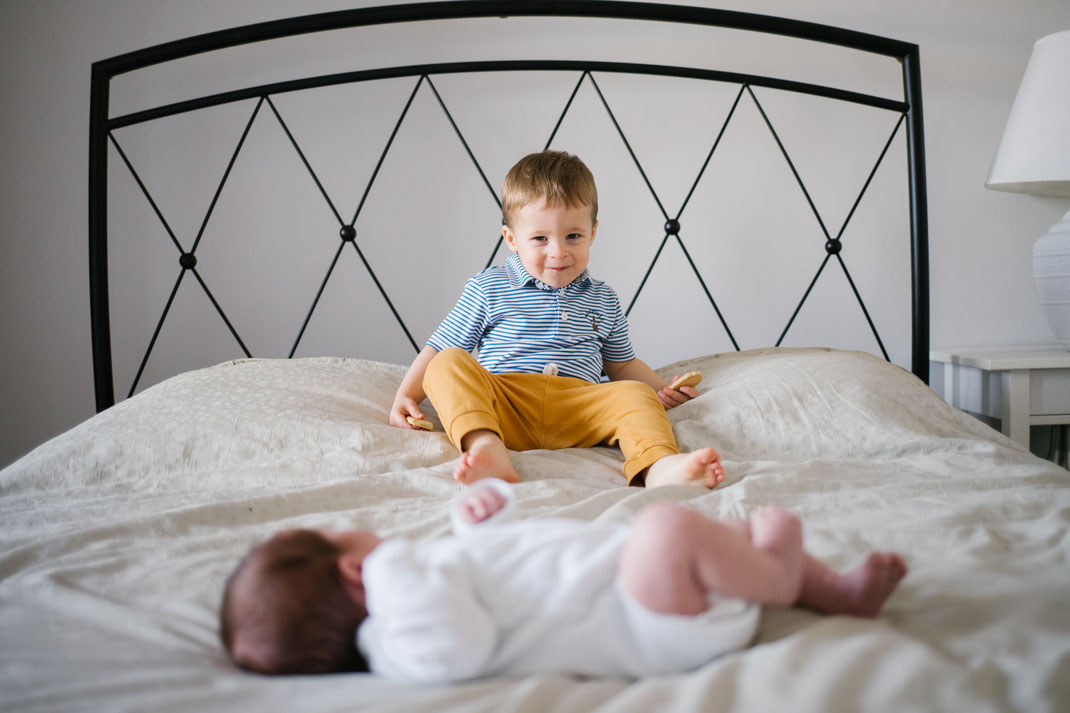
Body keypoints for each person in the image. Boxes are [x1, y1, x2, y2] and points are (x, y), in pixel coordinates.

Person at [220, 479, 908, 681]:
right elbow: (464, 643)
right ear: (353, 572)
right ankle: (781, 577)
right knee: (667, 528)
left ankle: (835, 592)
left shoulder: (419, 591)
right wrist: (391, 566)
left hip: (635, 587)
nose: (381, 544)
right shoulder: (403, 639)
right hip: (648, 626)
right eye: (354, 540)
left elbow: (508, 573)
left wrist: (481, 524)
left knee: (708, 535)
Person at [389, 150, 724, 489]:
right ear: (511, 239)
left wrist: (662, 391)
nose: (558, 251)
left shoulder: (603, 298)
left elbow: (622, 365)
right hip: (506, 403)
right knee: (447, 363)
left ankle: (660, 466)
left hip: (579, 408)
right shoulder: (488, 287)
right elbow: (438, 347)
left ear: (592, 233)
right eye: (540, 239)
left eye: (573, 236)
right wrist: (407, 395)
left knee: (634, 394)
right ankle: (486, 447)